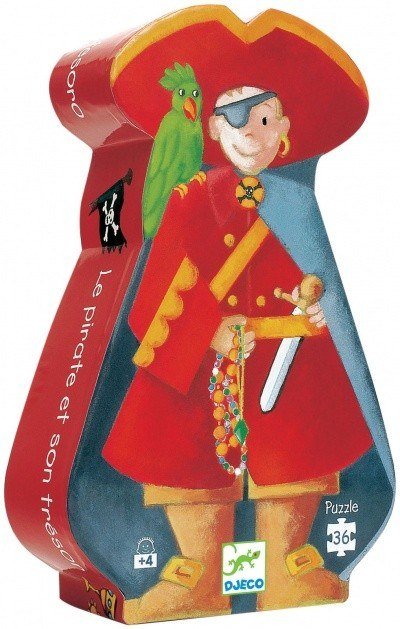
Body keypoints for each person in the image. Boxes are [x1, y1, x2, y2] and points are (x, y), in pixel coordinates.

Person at [102, 86, 372, 622]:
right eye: (235, 120)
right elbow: (151, 299)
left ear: (284, 128)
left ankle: (288, 566)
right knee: (187, 455)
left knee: (298, 450)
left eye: (264, 119)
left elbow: (318, 280)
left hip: (286, 366)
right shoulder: (190, 201)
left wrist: (315, 308)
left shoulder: (295, 206)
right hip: (202, 365)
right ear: (214, 130)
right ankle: (200, 574)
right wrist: (208, 331)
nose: (251, 132)